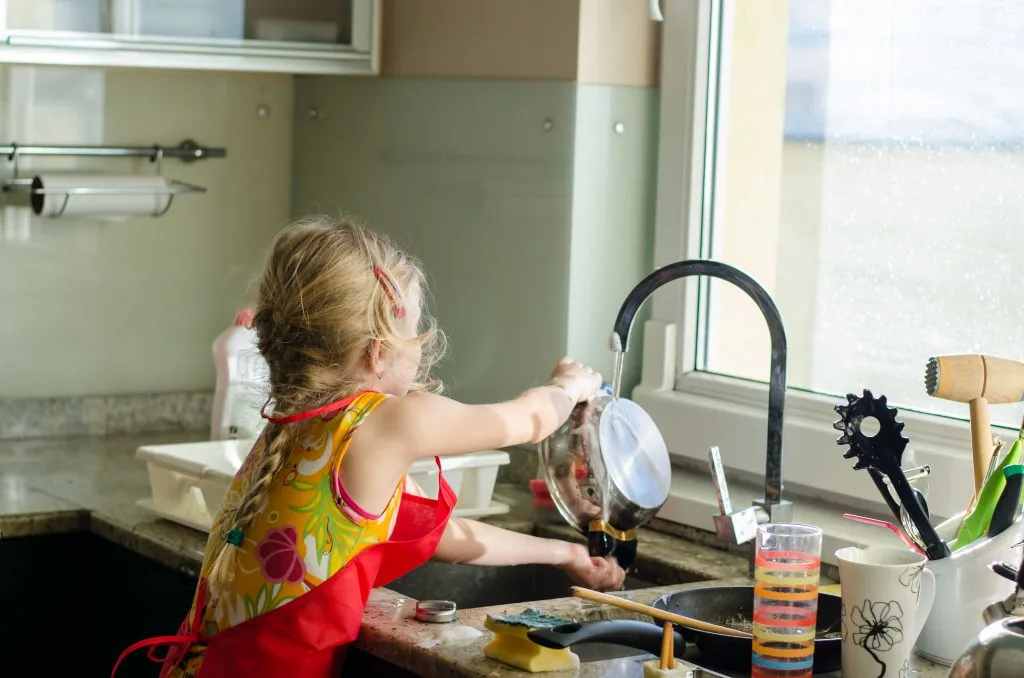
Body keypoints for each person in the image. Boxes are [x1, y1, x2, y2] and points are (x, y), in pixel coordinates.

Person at [113, 216, 625, 678]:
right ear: (379, 353)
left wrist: (565, 554)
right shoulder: (387, 423)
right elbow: (527, 422)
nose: (420, 346)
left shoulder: (298, 426)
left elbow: (443, 535)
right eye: (413, 331)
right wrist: (569, 386)